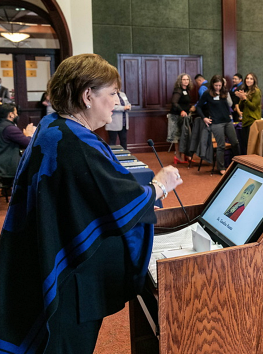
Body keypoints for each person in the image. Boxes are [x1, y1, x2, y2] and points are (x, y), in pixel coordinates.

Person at [0, 53, 182, 354]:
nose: (116, 100)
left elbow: (95, 191)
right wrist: (159, 185)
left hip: (50, 263)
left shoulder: (55, 127)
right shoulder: (75, 143)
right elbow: (116, 203)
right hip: (71, 284)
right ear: (87, 96)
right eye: (111, 93)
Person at [195, 74, 241, 175]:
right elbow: (198, 107)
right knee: (221, 145)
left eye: (220, 85)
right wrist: (204, 118)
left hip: (228, 121)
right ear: (212, 84)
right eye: (216, 85)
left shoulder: (224, 92)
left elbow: (229, 104)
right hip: (216, 123)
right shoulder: (207, 93)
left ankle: (238, 164)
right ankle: (221, 167)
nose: (218, 88)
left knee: (235, 142)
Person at [0, 104, 35, 179]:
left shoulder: (3, 125)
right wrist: (29, 134)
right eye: (15, 113)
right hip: (8, 169)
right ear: (11, 114)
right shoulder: (10, 128)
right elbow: (28, 144)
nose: (17, 115)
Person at [168, 73, 194, 164]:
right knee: (177, 137)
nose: (186, 81)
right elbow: (174, 102)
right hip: (176, 116)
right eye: (184, 79)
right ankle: (178, 157)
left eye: (187, 79)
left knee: (185, 136)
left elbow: (185, 103)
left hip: (184, 117)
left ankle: (186, 156)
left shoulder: (187, 90)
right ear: (180, 81)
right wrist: (181, 111)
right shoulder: (178, 90)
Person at [235, 72, 261, 152]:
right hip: (245, 121)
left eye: (251, 78)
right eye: (247, 78)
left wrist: (245, 98)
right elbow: (241, 108)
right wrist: (242, 98)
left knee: (251, 146)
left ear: (254, 81)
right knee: (245, 145)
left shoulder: (256, 91)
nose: (248, 80)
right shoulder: (246, 91)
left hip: (253, 121)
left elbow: (253, 107)